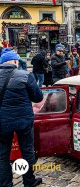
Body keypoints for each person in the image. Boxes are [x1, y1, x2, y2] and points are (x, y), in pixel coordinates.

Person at [0, 49, 43, 187]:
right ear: (14, 61)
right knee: (27, 151)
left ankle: (6, 184)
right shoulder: (25, 75)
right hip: (23, 121)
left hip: (2, 122)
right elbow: (38, 97)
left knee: (2, 155)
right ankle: (29, 182)